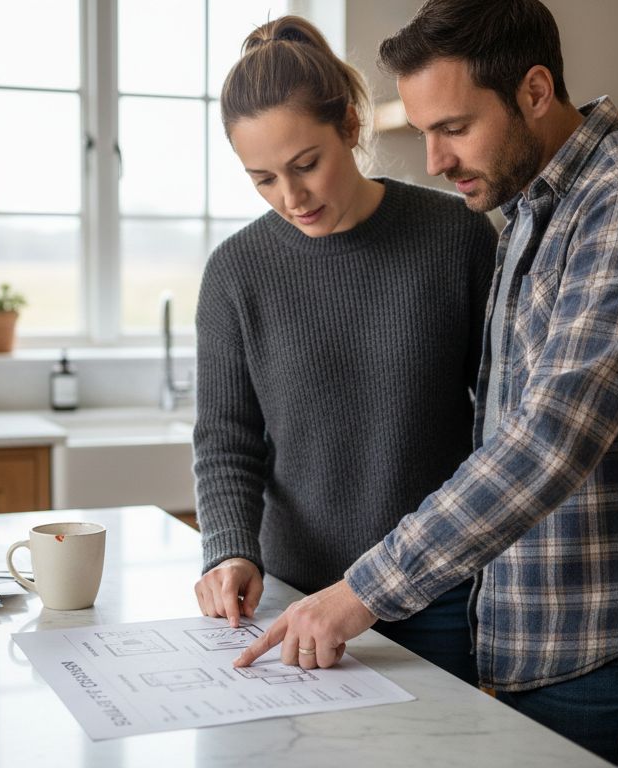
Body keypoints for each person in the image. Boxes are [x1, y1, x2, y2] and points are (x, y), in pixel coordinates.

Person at [234, 1, 618, 765]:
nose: (434, 159)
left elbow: (548, 441)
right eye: (424, 130)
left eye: (454, 128)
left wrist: (359, 592)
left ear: (535, 91)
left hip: (617, 645)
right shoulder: (532, 212)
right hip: (536, 636)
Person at [191, 15, 497, 687]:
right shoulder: (236, 273)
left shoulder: (456, 238)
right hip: (294, 596)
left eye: (307, 166)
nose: (291, 198)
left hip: (434, 594)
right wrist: (230, 550)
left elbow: (501, 424)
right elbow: (225, 439)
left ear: (351, 130)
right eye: (263, 179)